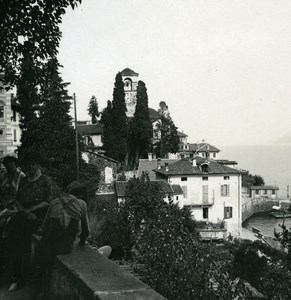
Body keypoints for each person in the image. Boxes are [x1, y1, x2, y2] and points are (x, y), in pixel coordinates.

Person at [6, 151, 53, 292]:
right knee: (12, 234)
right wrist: (24, 211)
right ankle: (17, 277)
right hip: (24, 214)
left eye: (34, 164)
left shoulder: (45, 181)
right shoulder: (24, 181)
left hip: (38, 216)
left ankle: (27, 278)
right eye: (29, 164)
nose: (31, 167)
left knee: (23, 237)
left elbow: (48, 201)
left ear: (38, 165)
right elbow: (18, 200)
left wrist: (31, 210)